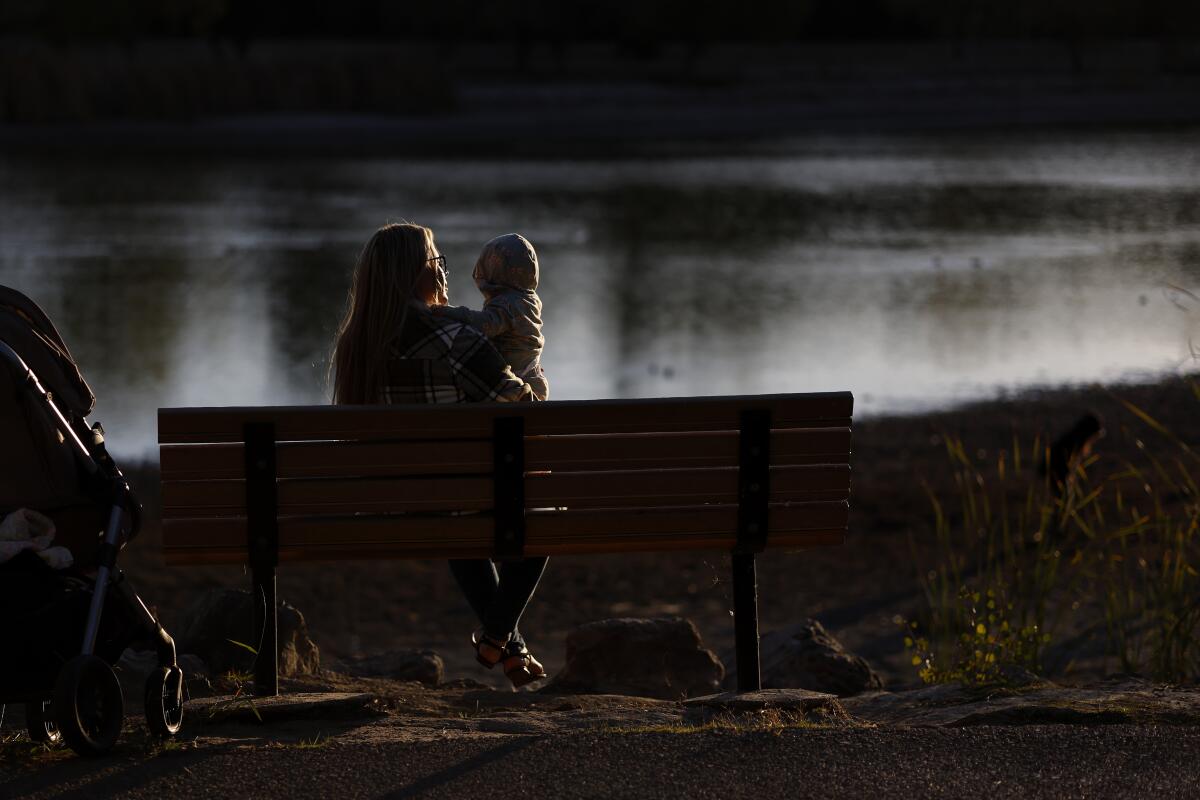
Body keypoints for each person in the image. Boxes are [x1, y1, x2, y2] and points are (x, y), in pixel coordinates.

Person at [331, 222, 548, 687]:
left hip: (398, 504)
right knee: (542, 513)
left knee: (456, 519)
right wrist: (530, 376)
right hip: (457, 499)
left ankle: (510, 646)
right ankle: (496, 634)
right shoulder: (456, 340)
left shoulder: (355, 347)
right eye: (437, 263)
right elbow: (520, 405)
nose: (444, 273)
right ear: (417, 275)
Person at [434, 233, 549, 400]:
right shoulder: (529, 299)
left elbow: (483, 325)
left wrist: (447, 312)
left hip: (520, 383)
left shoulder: (508, 304)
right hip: (533, 377)